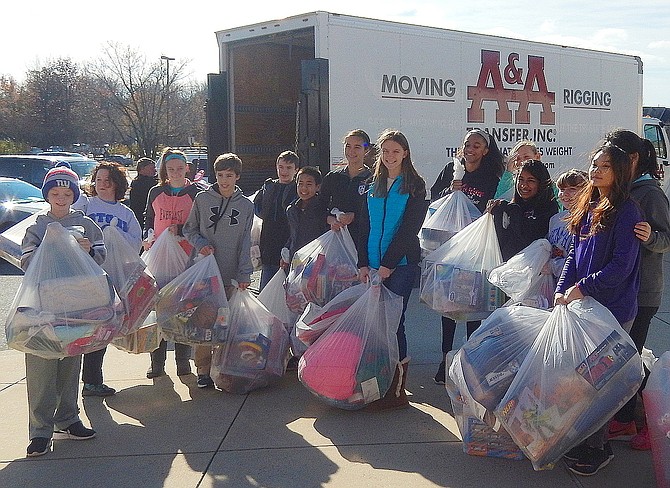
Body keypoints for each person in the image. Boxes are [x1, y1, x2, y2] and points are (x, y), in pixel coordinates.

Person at [555, 143, 642, 476]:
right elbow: (574, 257)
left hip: (613, 312)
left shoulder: (628, 210)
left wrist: (581, 289)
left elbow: (621, 267)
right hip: (583, 309)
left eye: (604, 166)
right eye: (594, 165)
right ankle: (581, 437)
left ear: (618, 172)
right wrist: (563, 288)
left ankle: (598, 447)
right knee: (578, 382)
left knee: (601, 383)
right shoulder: (587, 205)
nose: (596, 171)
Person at [21, 163, 103, 457]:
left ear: (74, 195)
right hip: (43, 308)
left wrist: (88, 250)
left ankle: (68, 419)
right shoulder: (36, 227)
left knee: (70, 362)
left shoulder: (86, 224)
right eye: (54, 192)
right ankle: (40, 431)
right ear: (47, 195)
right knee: (41, 367)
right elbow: (27, 263)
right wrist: (49, 247)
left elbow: (100, 257)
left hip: (77, 306)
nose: (60, 197)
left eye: (66, 192)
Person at [602, 129, 670, 450]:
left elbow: (666, 238)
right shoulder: (619, 190)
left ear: (631, 159)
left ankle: (651, 422)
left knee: (630, 360)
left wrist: (650, 237)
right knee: (619, 360)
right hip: (619, 290)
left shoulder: (649, 194)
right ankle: (625, 417)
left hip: (642, 294)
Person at [357, 129, 428, 410]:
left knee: (393, 322)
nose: (389, 156)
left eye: (395, 151)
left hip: (400, 265)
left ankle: (396, 390)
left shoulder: (415, 185)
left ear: (405, 153)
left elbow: (410, 230)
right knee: (374, 325)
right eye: (385, 151)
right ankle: (376, 380)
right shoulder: (371, 184)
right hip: (372, 264)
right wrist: (363, 262)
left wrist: (388, 264)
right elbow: (364, 225)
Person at [431, 129, 504, 384]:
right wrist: (450, 190)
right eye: (467, 145)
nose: (470, 149)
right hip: (451, 250)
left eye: (477, 145)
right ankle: (445, 358)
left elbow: (497, 206)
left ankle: (469, 360)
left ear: (485, 150)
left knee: (473, 306)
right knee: (448, 306)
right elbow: (434, 199)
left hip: (476, 252)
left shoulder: (492, 177)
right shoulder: (452, 170)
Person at [184, 153, 254, 389]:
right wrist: (201, 244)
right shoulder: (203, 199)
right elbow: (189, 229)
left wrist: (244, 273)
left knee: (227, 324)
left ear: (237, 177)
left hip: (231, 274)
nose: (224, 180)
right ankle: (202, 369)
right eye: (221, 175)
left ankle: (222, 367)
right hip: (206, 273)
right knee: (204, 322)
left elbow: (246, 241)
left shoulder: (245, 206)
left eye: (230, 176)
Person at [73, 161, 142, 397]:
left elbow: (134, 246)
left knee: (102, 329)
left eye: (107, 180)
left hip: (111, 280)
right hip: (85, 275)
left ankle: (92, 381)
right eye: (98, 180)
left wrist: (115, 236)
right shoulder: (86, 204)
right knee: (81, 329)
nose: (102, 185)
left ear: (117, 184)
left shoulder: (126, 213)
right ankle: (81, 381)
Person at [144, 148, 200, 379]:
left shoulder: (196, 193)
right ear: (164, 171)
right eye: (170, 169)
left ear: (186, 168)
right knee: (158, 309)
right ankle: (157, 362)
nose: (175, 173)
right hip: (159, 256)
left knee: (183, 309)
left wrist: (183, 231)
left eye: (179, 168)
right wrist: (147, 235)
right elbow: (148, 216)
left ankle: (183, 360)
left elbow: (200, 223)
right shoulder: (156, 192)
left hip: (185, 257)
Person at [488, 159, 559, 261]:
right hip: (505, 270)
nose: (524, 185)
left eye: (531, 181)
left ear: (541, 183)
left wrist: (510, 209)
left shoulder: (548, 208)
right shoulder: (512, 205)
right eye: (520, 179)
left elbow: (527, 238)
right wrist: (497, 212)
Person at [253, 151, 298, 289]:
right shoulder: (268, 186)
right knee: (266, 289)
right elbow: (257, 207)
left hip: (288, 242)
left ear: (296, 170)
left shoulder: (298, 189)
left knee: (288, 290)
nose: (284, 171)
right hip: (268, 244)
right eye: (281, 167)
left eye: (289, 168)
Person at [319, 129, 373, 247]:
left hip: (362, 243)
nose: (351, 151)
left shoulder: (373, 179)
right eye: (348, 146)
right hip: (334, 243)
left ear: (366, 150)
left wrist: (354, 216)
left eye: (357, 147)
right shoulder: (333, 177)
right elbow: (318, 207)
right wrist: (331, 220)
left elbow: (377, 212)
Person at [547, 169, 588, 278]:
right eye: (562, 189)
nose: (565, 194)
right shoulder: (555, 219)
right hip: (554, 285)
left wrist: (552, 266)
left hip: (577, 289)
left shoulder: (589, 220)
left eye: (572, 189)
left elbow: (584, 262)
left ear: (586, 191)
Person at [283, 166, 328, 263]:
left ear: (318, 187)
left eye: (309, 184)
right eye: (300, 184)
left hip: (317, 261)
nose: (304, 188)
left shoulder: (323, 209)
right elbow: (293, 235)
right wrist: (286, 251)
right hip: (296, 260)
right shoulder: (292, 210)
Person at [128, 157, 157, 230]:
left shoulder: (152, 181)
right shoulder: (138, 183)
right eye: (151, 168)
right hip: (141, 215)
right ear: (142, 169)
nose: (154, 170)